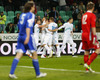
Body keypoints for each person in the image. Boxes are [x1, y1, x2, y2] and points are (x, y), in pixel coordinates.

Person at [9, 1, 47, 79]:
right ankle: (38, 74)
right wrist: (27, 37)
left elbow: (19, 25)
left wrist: (22, 35)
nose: (34, 8)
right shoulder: (31, 15)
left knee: (19, 54)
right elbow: (28, 26)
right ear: (31, 7)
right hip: (27, 36)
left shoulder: (22, 15)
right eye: (33, 6)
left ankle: (11, 73)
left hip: (20, 35)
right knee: (34, 54)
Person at [81, 2, 100, 73]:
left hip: (84, 34)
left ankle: (87, 70)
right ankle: (87, 64)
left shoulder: (84, 15)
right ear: (93, 8)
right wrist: (95, 36)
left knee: (87, 51)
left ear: (87, 8)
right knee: (98, 50)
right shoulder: (92, 15)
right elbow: (93, 26)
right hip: (90, 35)